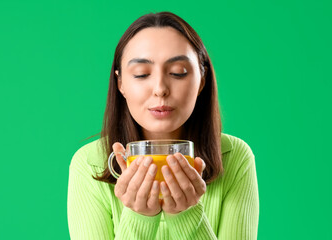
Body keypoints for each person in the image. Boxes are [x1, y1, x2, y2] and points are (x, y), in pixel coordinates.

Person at [67, 11, 259, 240]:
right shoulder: (90, 163)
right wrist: (140, 217)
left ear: (202, 80)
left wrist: (186, 215)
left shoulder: (235, 157)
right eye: (141, 74)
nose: (160, 88)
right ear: (120, 83)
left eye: (178, 72)